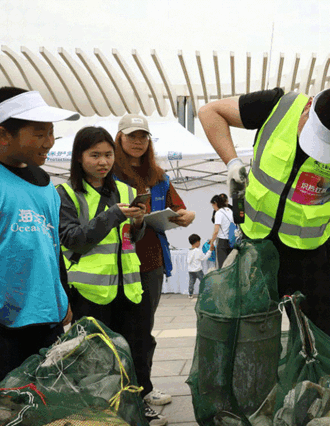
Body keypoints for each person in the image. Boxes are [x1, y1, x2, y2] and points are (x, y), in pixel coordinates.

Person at [198, 87, 330, 337]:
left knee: (313, 342)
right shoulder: (278, 106)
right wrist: (232, 162)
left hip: (309, 260)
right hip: (256, 249)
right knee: (251, 336)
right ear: (308, 108)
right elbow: (210, 112)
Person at [55, 127, 165, 425]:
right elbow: (73, 239)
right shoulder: (65, 194)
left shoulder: (127, 191)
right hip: (89, 292)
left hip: (130, 286)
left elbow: (130, 237)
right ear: (79, 158)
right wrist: (113, 214)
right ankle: (103, 410)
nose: (103, 162)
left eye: (107, 155)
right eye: (95, 155)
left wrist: (140, 223)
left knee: (136, 349)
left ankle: (137, 404)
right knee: (97, 356)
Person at [113, 114, 195, 414]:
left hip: (151, 260)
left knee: (143, 329)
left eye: (143, 136)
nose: (138, 141)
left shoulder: (158, 176)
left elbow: (180, 210)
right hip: (118, 261)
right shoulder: (109, 174)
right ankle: (124, 391)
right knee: (122, 328)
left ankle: (143, 387)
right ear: (119, 138)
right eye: (132, 135)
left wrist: (188, 217)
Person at [0, 87, 78, 380]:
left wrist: (63, 296)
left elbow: (52, 246)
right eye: (39, 133)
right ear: (3, 134)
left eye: (52, 132)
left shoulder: (45, 184)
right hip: (7, 327)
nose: (49, 142)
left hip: (48, 320)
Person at [209, 193, 234, 268]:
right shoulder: (229, 210)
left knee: (222, 266)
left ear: (215, 203)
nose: (213, 208)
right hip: (231, 240)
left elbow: (216, 231)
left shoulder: (219, 213)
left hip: (222, 242)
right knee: (230, 264)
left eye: (213, 205)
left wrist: (212, 242)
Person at [187, 234, 212, 299]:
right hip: (198, 270)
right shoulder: (198, 251)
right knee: (203, 281)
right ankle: (206, 293)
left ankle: (190, 294)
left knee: (191, 282)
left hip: (190, 270)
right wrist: (210, 251)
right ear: (197, 242)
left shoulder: (189, 251)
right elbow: (204, 258)